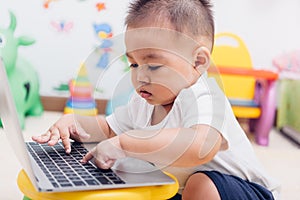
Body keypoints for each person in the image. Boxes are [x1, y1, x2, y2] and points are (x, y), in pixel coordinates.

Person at [32, 0, 280, 199]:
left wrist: (126, 143)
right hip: (180, 190)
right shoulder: (143, 102)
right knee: (138, 181)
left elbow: (199, 146)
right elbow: (109, 128)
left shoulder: (204, 95)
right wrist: (74, 124)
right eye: (133, 64)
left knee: (201, 184)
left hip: (245, 191)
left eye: (153, 65)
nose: (140, 76)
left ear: (198, 62)